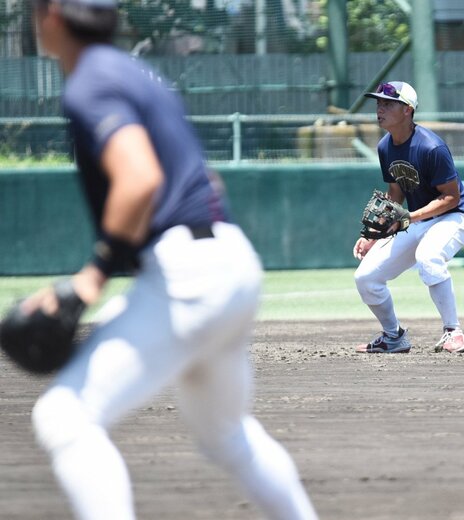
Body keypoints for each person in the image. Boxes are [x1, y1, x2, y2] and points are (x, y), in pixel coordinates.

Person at [27, 0, 318, 518]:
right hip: (229, 260)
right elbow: (203, 178)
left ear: (51, 16)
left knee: (65, 417)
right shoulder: (138, 74)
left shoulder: (90, 82)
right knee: (225, 435)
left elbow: (140, 179)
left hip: (189, 276)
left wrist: (94, 275)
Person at [353, 81, 464, 354]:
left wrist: (408, 218)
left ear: (407, 110)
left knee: (428, 257)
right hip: (418, 219)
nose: (379, 108)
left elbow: (451, 198)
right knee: (366, 277)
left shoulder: (431, 147)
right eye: (378, 103)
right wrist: (372, 234)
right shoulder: (386, 147)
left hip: (454, 217)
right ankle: (393, 336)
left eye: (388, 103)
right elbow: (395, 192)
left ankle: (453, 332)